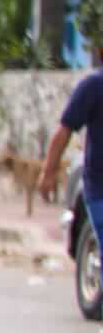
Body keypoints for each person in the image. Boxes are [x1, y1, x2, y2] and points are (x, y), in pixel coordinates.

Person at [38, 59, 103, 232]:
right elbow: (64, 131)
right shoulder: (94, 86)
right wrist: (48, 172)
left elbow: (64, 131)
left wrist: (48, 173)